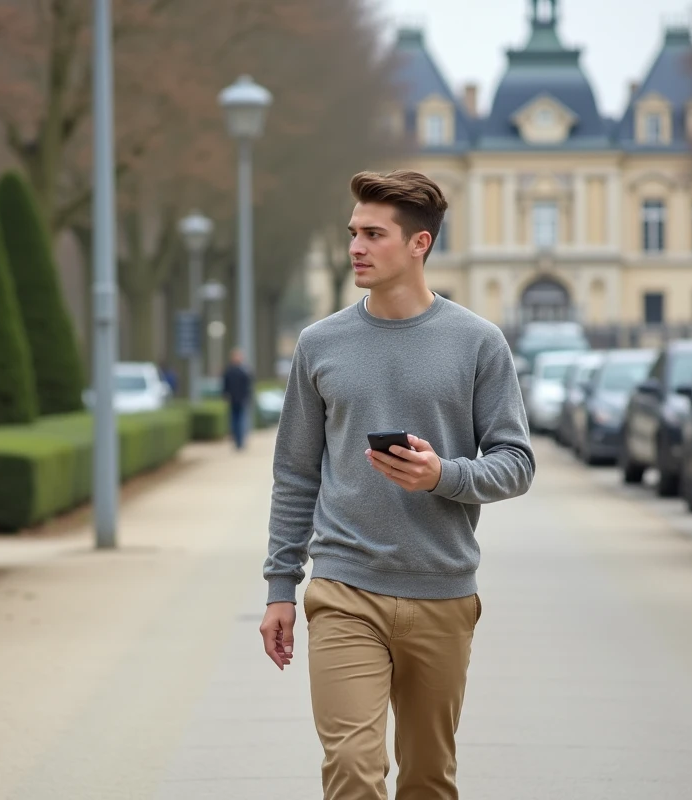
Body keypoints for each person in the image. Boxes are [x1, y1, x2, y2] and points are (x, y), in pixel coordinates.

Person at [259, 170, 535, 799]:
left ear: (419, 244)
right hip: (344, 589)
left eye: (374, 234)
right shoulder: (319, 344)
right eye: (353, 232)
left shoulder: (477, 343)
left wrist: (445, 475)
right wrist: (281, 586)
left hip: (442, 590)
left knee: (429, 781)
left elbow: (516, 461)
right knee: (354, 772)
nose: (355, 246)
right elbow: (296, 473)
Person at [221, 347, 253, 450]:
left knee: (241, 420)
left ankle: (240, 441)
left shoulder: (243, 370)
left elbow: (248, 385)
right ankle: (237, 441)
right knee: (235, 421)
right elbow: (225, 385)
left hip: (242, 399)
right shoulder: (230, 371)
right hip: (233, 399)